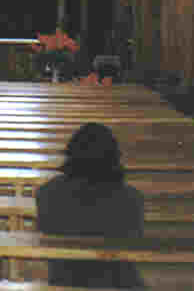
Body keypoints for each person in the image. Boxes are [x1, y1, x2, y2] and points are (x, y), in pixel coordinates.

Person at [36, 122, 145, 288]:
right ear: (114, 156)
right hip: (119, 282)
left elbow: (44, 229)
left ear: (71, 152)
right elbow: (135, 238)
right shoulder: (132, 197)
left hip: (65, 280)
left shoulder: (47, 191)